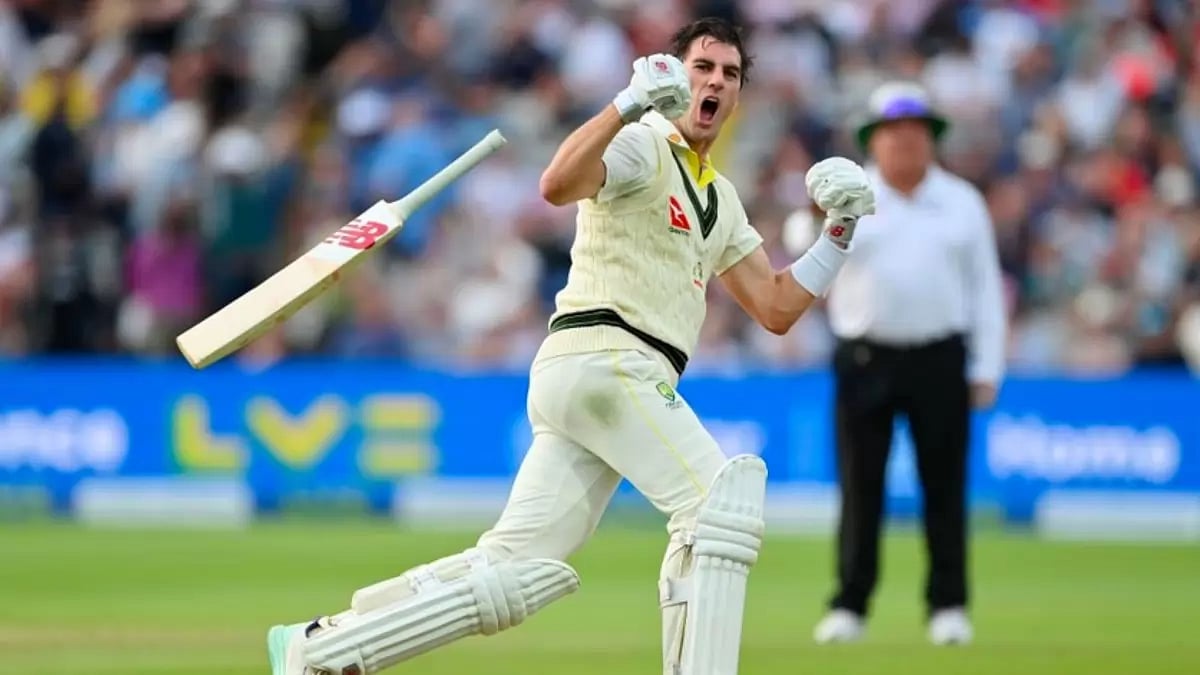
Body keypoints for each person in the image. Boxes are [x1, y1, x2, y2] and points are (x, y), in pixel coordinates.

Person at [266, 17, 876, 675]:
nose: (717, 82)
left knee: (512, 567)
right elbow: (556, 184)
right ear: (675, 74)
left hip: (598, 377)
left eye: (730, 74)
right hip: (608, 357)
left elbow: (777, 307)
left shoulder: (720, 198)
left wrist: (836, 235)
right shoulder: (644, 142)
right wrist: (626, 104)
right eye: (704, 67)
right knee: (716, 508)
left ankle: (322, 645)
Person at [810, 81, 1007, 646]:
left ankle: (948, 604)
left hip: (941, 357)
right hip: (865, 357)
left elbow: (985, 289)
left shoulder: (962, 200)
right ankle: (850, 603)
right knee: (860, 487)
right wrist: (823, 212)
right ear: (876, 140)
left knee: (944, 486)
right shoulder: (851, 194)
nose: (906, 144)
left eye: (917, 133)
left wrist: (987, 365)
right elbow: (807, 252)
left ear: (931, 139)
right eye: (895, 134)